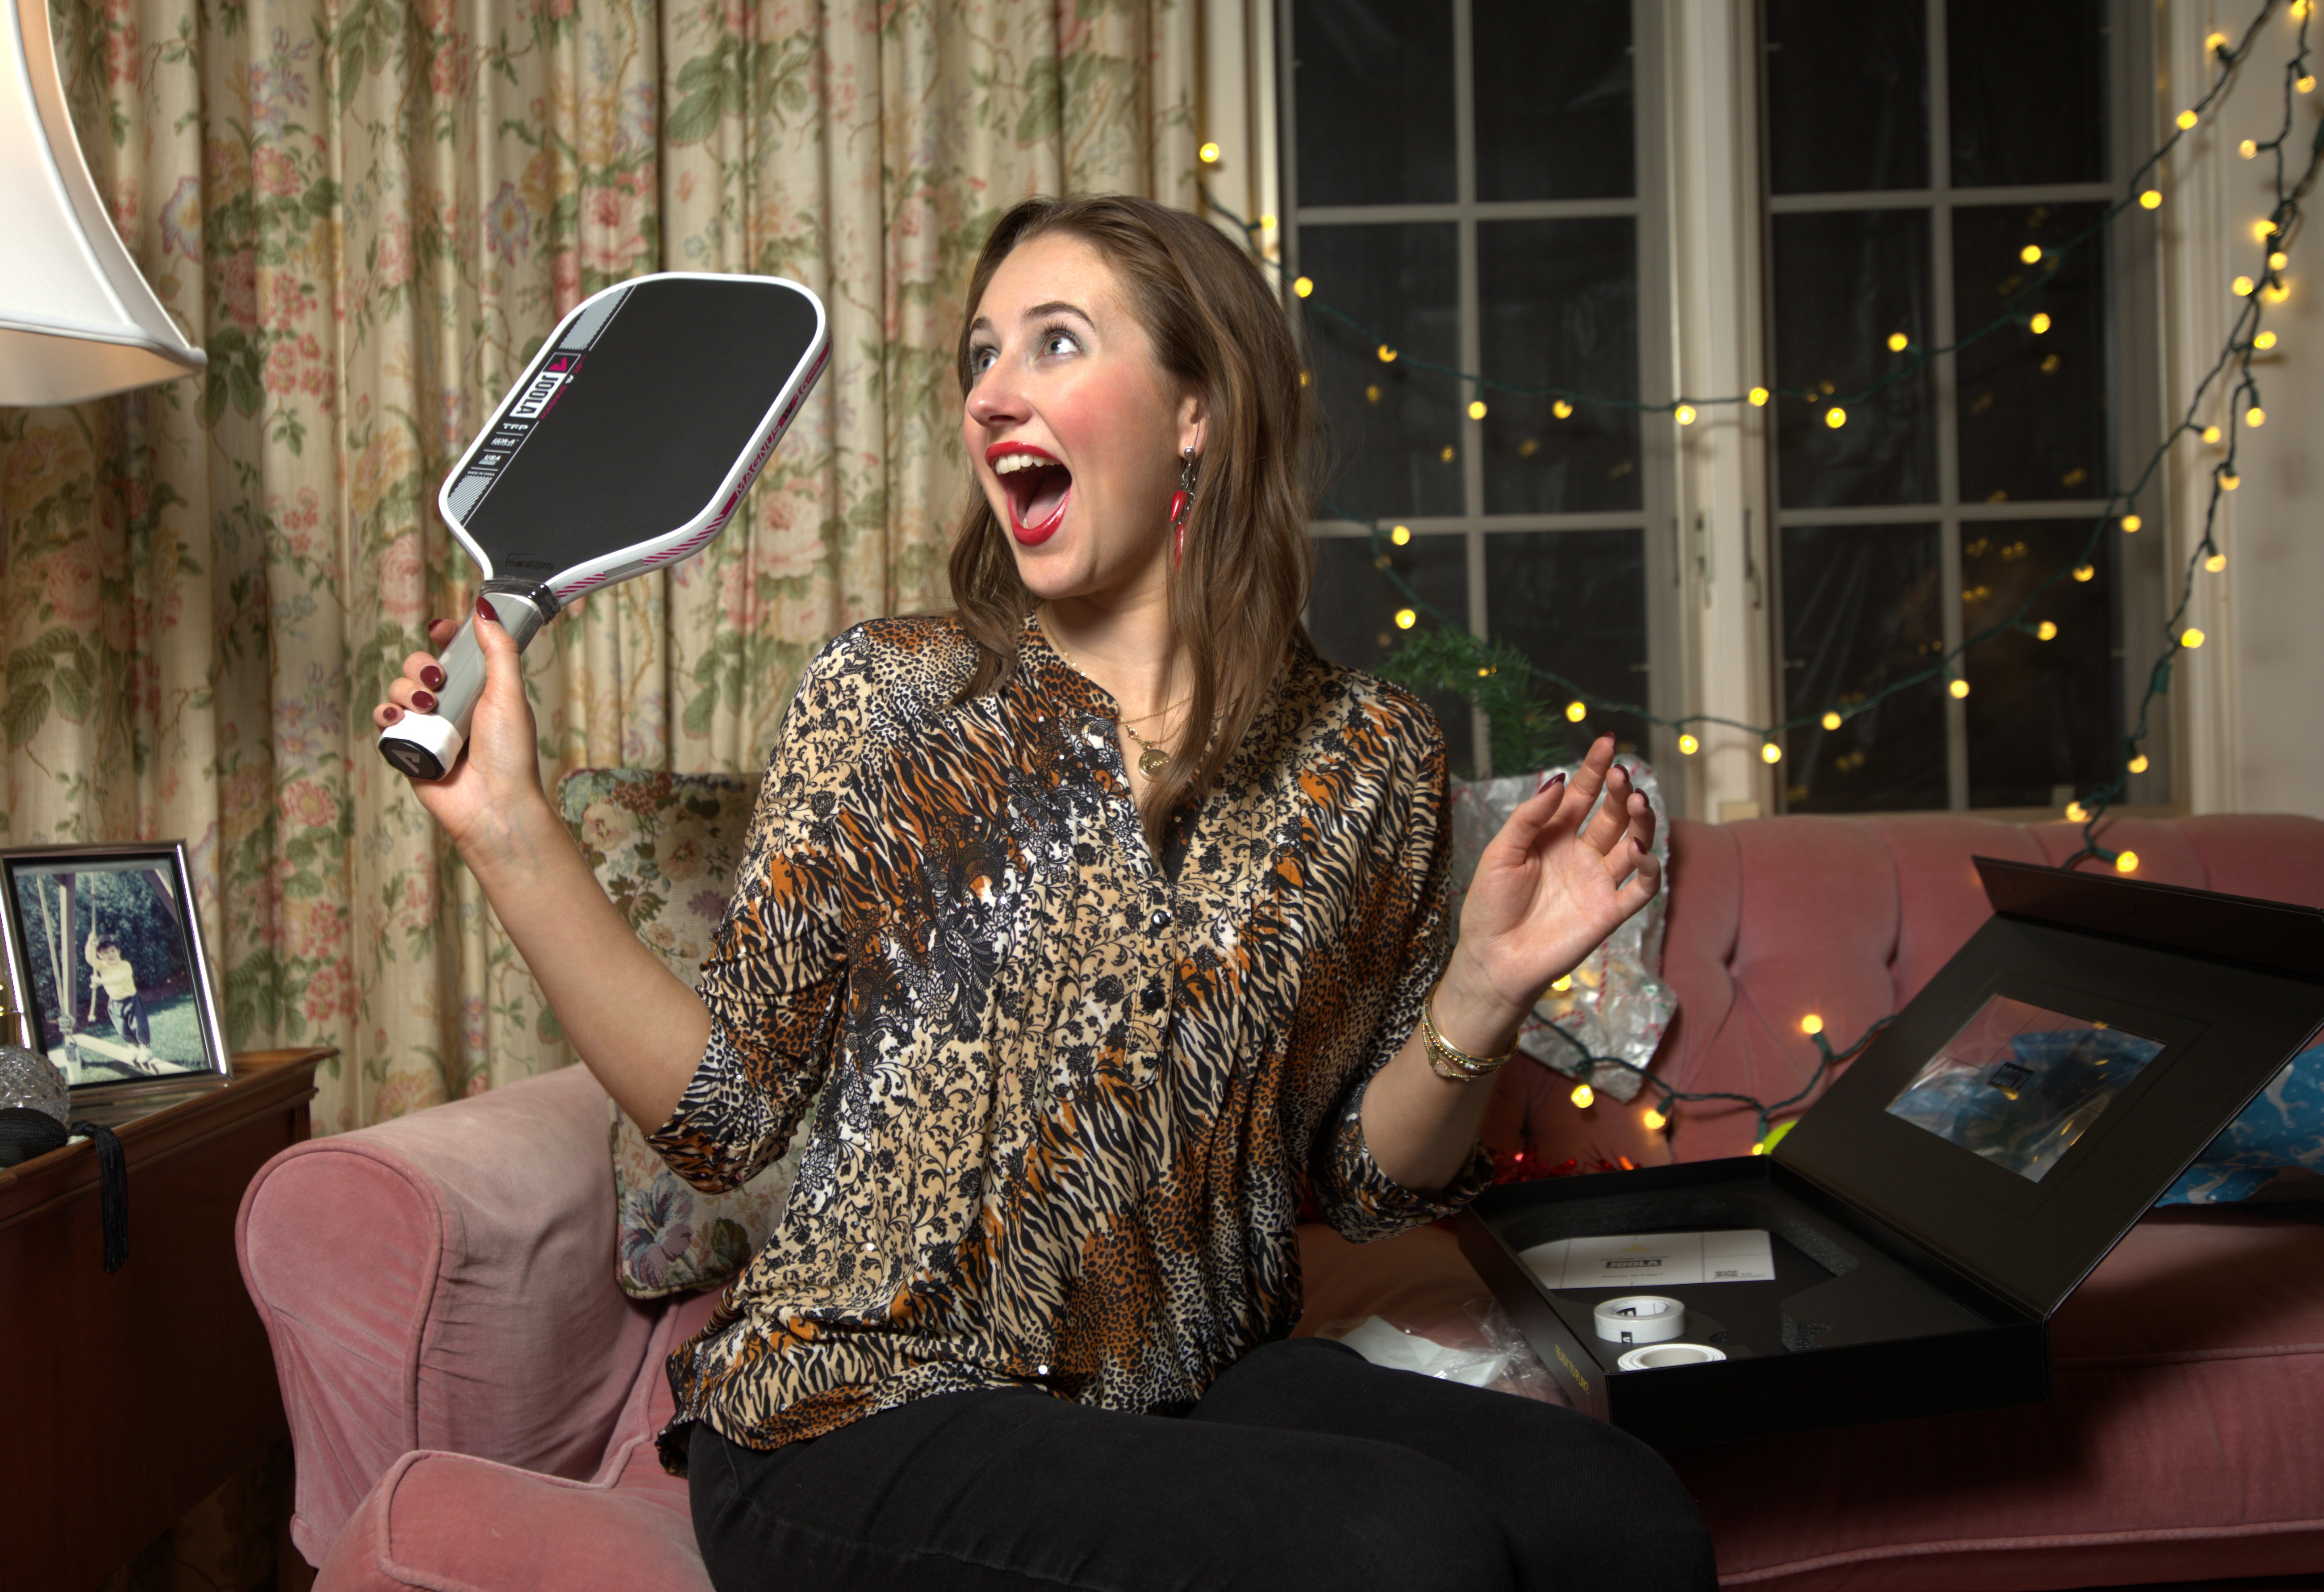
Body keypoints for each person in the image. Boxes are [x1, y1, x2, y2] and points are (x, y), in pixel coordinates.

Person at [376, 194, 1713, 1592]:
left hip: (1186, 1386)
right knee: (1398, 1548)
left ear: (1199, 406)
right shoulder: (894, 698)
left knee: (1623, 1512)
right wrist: (509, 828)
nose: (992, 392)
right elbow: (725, 1114)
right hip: (861, 1403)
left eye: (1056, 341)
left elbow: (1360, 1179)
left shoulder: (1367, 756)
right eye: (979, 356)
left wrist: (1484, 992)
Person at [84, 929, 150, 1050]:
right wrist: (90, 942)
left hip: (131, 1001)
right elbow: (89, 959)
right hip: (114, 1003)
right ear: (100, 955)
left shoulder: (125, 966)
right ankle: (132, 1046)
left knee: (138, 1025)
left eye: (113, 951)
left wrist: (101, 982)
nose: (111, 954)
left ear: (118, 951)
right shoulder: (102, 966)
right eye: (106, 952)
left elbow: (120, 979)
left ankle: (145, 1047)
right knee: (122, 1028)